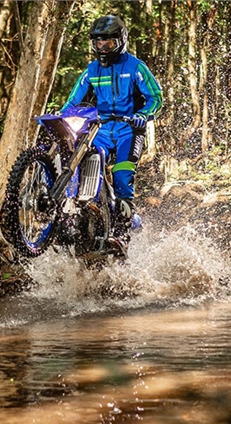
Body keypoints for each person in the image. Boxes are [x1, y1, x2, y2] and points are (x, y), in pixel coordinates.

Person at [61, 15, 163, 252]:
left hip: (130, 128)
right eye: (98, 43)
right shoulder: (91, 70)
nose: (103, 47)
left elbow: (156, 97)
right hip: (101, 128)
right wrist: (63, 115)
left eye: (108, 42)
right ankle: (79, 216)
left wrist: (145, 114)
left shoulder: (136, 67)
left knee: (121, 176)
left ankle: (123, 232)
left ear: (121, 40)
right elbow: (73, 101)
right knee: (85, 163)